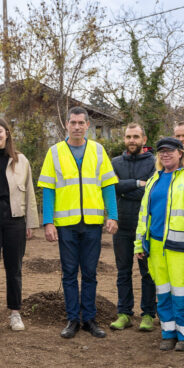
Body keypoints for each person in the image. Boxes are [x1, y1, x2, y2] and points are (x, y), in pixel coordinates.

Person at [39, 107, 118, 339]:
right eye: (72, 122)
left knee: (91, 273)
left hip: (92, 223)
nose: (76, 126)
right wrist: (48, 222)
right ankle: (72, 319)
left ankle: (90, 319)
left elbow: (108, 186)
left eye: (81, 123)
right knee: (69, 273)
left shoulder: (98, 150)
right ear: (66, 124)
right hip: (66, 224)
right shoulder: (54, 152)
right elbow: (48, 189)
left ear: (87, 125)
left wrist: (112, 215)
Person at [134, 137, 184, 351]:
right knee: (163, 291)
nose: (165, 155)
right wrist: (139, 243)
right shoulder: (155, 179)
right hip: (155, 246)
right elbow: (144, 213)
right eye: (162, 152)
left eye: (170, 151)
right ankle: (168, 331)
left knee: (181, 292)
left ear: (180, 153)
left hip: (180, 245)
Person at [0, 118, 38, 333]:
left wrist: (30, 222)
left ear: (7, 133)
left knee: (15, 269)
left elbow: (29, 192)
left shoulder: (21, 160)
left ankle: (15, 313)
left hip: (15, 222)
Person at [110, 123, 157, 331]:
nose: (132, 141)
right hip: (122, 226)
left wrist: (125, 187)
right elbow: (112, 188)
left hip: (146, 227)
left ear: (144, 140)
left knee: (147, 273)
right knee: (123, 271)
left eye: (136, 137)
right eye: (128, 137)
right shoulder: (115, 162)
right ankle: (124, 313)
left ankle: (148, 314)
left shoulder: (154, 163)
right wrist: (139, 184)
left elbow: (152, 191)